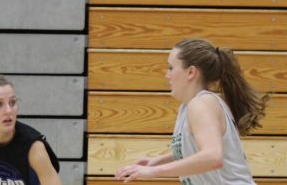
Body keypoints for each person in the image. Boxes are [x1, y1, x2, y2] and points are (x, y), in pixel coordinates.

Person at [115, 38, 269, 184]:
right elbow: (196, 151)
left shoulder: (202, 104)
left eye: (171, 68)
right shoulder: (189, 107)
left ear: (191, 72)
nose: (167, 75)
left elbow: (213, 157)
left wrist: (154, 171)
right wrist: (157, 161)